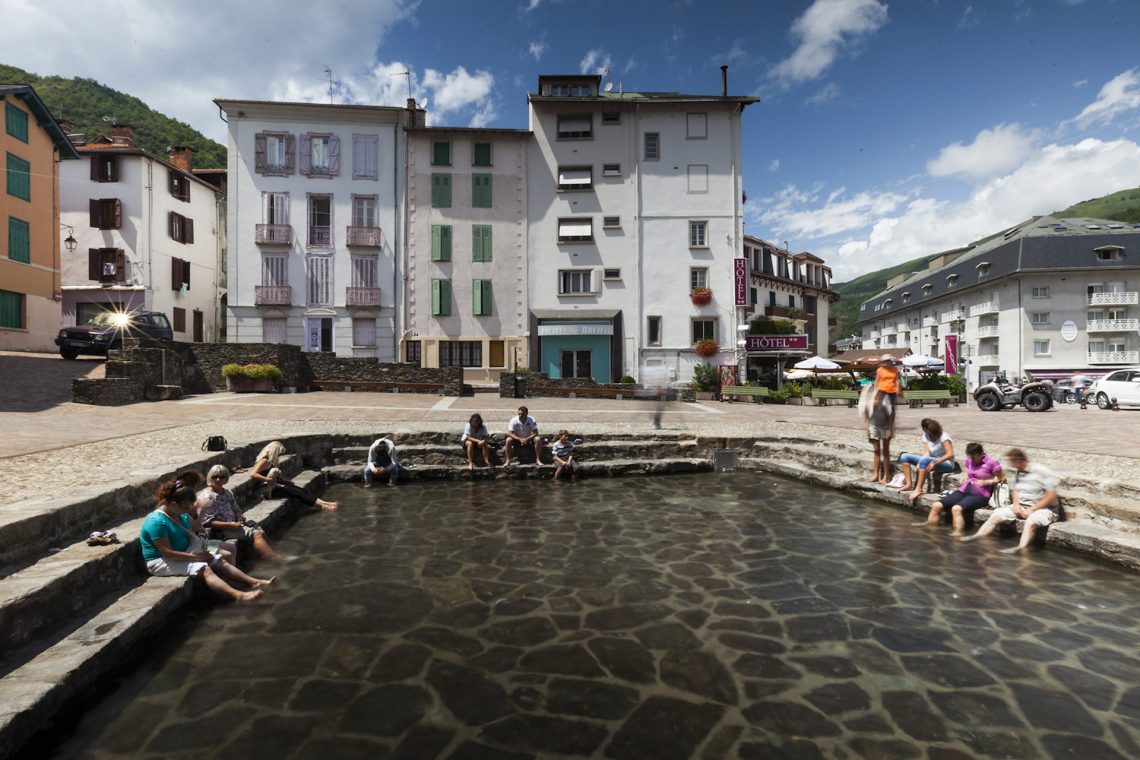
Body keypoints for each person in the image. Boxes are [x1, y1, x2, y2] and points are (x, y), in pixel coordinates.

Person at [141, 477, 274, 602]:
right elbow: (167, 553)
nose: (189, 510)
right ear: (174, 504)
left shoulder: (180, 514)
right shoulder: (156, 522)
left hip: (187, 549)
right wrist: (196, 557)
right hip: (161, 561)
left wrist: (203, 545)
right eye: (186, 507)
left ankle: (253, 581)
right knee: (206, 567)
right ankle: (239, 595)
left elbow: (198, 530)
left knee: (224, 555)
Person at [962, 448, 1060, 553]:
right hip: (1022, 506)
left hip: (1044, 508)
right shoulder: (1019, 471)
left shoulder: (1042, 471)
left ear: (1020, 460)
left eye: (1012, 462)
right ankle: (978, 536)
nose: (1011, 465)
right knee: (996, 514)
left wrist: (1032, 508)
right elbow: (1016, 491)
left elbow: (1051, 496)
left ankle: (1020, 548)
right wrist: (1016, 505)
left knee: (1031, 522)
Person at [197, 464, 291, 562]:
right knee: (257, 534)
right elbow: (206, 523)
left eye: (221, 477)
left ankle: (272, 552)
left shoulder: (226, 492)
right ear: (210, 477)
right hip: (220, 530)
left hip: (234, 523)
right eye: (215, 477)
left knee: (260, 530)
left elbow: (236, 509)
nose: (218, 480)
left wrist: (239, 517)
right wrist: (230, 525)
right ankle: (275, 558)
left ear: (226, 478)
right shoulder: (207, 497)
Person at [918, 442, 1003, 535]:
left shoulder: (992, 463)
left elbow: (1002, 478)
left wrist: (987, 482)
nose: (972, 459)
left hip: (980, 494)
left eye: (974, 457)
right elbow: (970, 473)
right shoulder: (969, 461)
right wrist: (965, 478)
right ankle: (931, 532)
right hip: (964, 490)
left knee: (956, 508)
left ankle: (957, 534)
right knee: (936, 505)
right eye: (970, 456)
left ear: (981, 454)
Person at [250, 441, 338, 510]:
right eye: (279, 453)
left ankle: (324, 503)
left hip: (274, 485)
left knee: (302, 490)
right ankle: (322, 506)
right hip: (267, 489)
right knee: (298, 493)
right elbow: (253, 474)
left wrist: (285, 481)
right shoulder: (264, 461)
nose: (280, 455)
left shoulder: (271, 461)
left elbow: (274, 477)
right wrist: (268, 480)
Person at [895, 418, 956, 502]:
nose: (932, 435)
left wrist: (934, 461)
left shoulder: (944, 436)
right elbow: (927, 452)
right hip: (930, 460)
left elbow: (950, 454)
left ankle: (919, 489)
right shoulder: (926, 435)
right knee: (904, 456)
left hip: (946, 463)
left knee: (924, 459)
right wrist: (921, 462)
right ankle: (909, 484)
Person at [863, 383, 893, 484]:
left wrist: (889, 429)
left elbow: (891, 415)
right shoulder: (868, 402)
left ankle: (886, 476)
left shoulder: (885, 401)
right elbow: (866, 416)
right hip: (873, 425)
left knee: (885, 450)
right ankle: (875, 474)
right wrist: (867, 428)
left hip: (884, 426)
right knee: (876, 450)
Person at [874, 354, 900, 435]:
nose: (884, 363)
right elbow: (877, 381)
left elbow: (897, 380)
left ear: (889, 361)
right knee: (880, 407)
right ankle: (876, 424)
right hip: (882, 390)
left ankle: (890, 427)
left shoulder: (895, 370)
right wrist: (875, 392)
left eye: (885, 361)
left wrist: (898, 389)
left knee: (891, 410)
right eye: (883, 361)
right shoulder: (880, 370)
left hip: (892, 390)